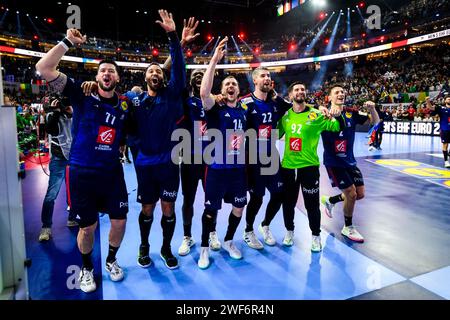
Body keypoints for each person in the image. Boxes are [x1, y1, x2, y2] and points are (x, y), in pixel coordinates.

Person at [36, 29, 132, 293]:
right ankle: (87, 268)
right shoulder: (81, 94)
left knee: (120, 221)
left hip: (112, 173)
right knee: (87, 228)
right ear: (97, 76)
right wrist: (68, 42)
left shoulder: (125, 105)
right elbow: (43, 68)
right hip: (82, 172)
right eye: (103, 71)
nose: (107, 74)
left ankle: (111, 260)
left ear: (118, 77)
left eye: (112, 70)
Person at [128, 10, 185, 270]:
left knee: (168, 207)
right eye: (151, 71)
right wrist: (135, 147)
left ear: (163, 77)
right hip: (145, 164)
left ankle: (165, 247)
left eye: (158, 72)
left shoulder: (172, 95)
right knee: (147, 208)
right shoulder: (134, 98)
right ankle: (144, 245)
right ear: (145, 78)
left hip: (169, 163)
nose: (155, 74)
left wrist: (173, 37)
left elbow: (179, 69)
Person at [274, 82, 345, 252]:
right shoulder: (285, 117)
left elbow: (337, 127)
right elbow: (273, 134)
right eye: (296, 90)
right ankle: (289, 232)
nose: (300, 91)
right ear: (291, 96)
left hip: (309, 168)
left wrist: (337, 115)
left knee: (311, 205)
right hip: (289, 167)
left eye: (302, 89)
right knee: (288, 203)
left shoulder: (317, 115)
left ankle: (315, 236)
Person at [198, 37, 248, 269]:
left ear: (238, 90)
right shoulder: (214, 107)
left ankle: (228, 240)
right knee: (211, 209)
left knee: (239, 206)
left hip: (238, 170)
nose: (230, 86)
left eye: (234, 84)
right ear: (222, 90)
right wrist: (214, 61)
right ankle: (204, 248)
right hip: (216, 169)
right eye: (227, 84)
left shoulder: (244, 110)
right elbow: (203, 92)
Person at [239, 67, 291, 249]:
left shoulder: (275, 102)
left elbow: (294, 107)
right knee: (257, 198)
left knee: (279, 194)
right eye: (263, 76)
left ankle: (265, 225)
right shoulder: (245, 103)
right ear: (255, 81)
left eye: (269, 76)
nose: (267, 78)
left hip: (272, 155)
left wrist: (276, 95)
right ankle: (248, 231)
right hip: (253, 156)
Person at [321, 85, 380, 243]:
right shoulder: (323, 114)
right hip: (334, 162)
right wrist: (322, 110)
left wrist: (372, 109)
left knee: (359, 194)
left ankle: (331, 201)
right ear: (330, 98)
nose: (341, 94)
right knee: (351, 194)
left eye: (342, 92)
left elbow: (375, 122)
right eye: (336, 92)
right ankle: (348, 227)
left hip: (350, 161)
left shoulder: (351, 112)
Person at [177, 68, 222, 256]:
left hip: (211, 159)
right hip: (189, 158)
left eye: (202, 75)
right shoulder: (185, 102)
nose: (198, 77)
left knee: (211, 200)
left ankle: (212, 232)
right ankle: (187, 236)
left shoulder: (215, 102)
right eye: (195, 75)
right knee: (188, 200)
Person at [38, 96, 78, 242]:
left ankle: (72, 218)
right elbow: (51, 130)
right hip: (58, 161)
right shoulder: (52, 115)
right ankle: (46, 227)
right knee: (51, 195)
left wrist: (71, 111)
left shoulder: (74, 114)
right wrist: (56, 112)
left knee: (73, 191)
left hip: (73, 159)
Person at [427, 95, 450, 168]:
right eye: (448, 99)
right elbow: (431, 108)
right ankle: (446, 161)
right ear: (445, 100)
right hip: (445, 129)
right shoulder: (441, 108)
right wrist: (428, 101)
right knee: (445, 145)